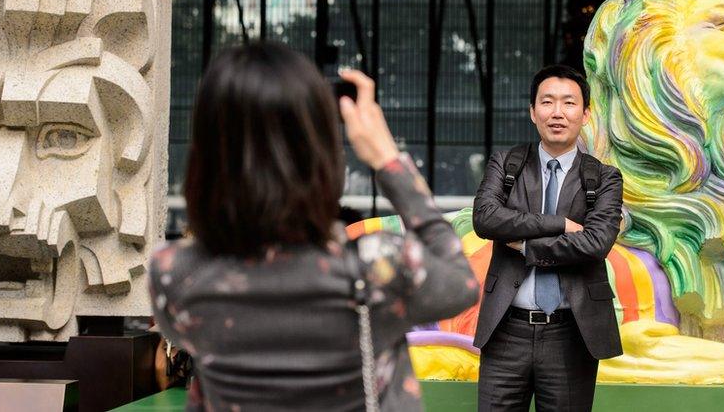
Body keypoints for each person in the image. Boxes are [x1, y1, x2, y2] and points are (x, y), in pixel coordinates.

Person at [148, 41, 478, 412]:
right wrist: (387, 159)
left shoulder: (173, 271)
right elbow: (462, 285)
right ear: (318, 151)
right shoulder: (377, 265)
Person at [472, 65, 624, 411]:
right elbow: (485, 218)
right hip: (506, 331)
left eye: (569, 103)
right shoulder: (506, 164)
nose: (557, 113)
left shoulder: (604, 179)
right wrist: (558, 223)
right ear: (532, 112)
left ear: (585, 114)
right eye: (547, 102)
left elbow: (595, 243)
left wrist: (525, 244)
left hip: (571, 333)